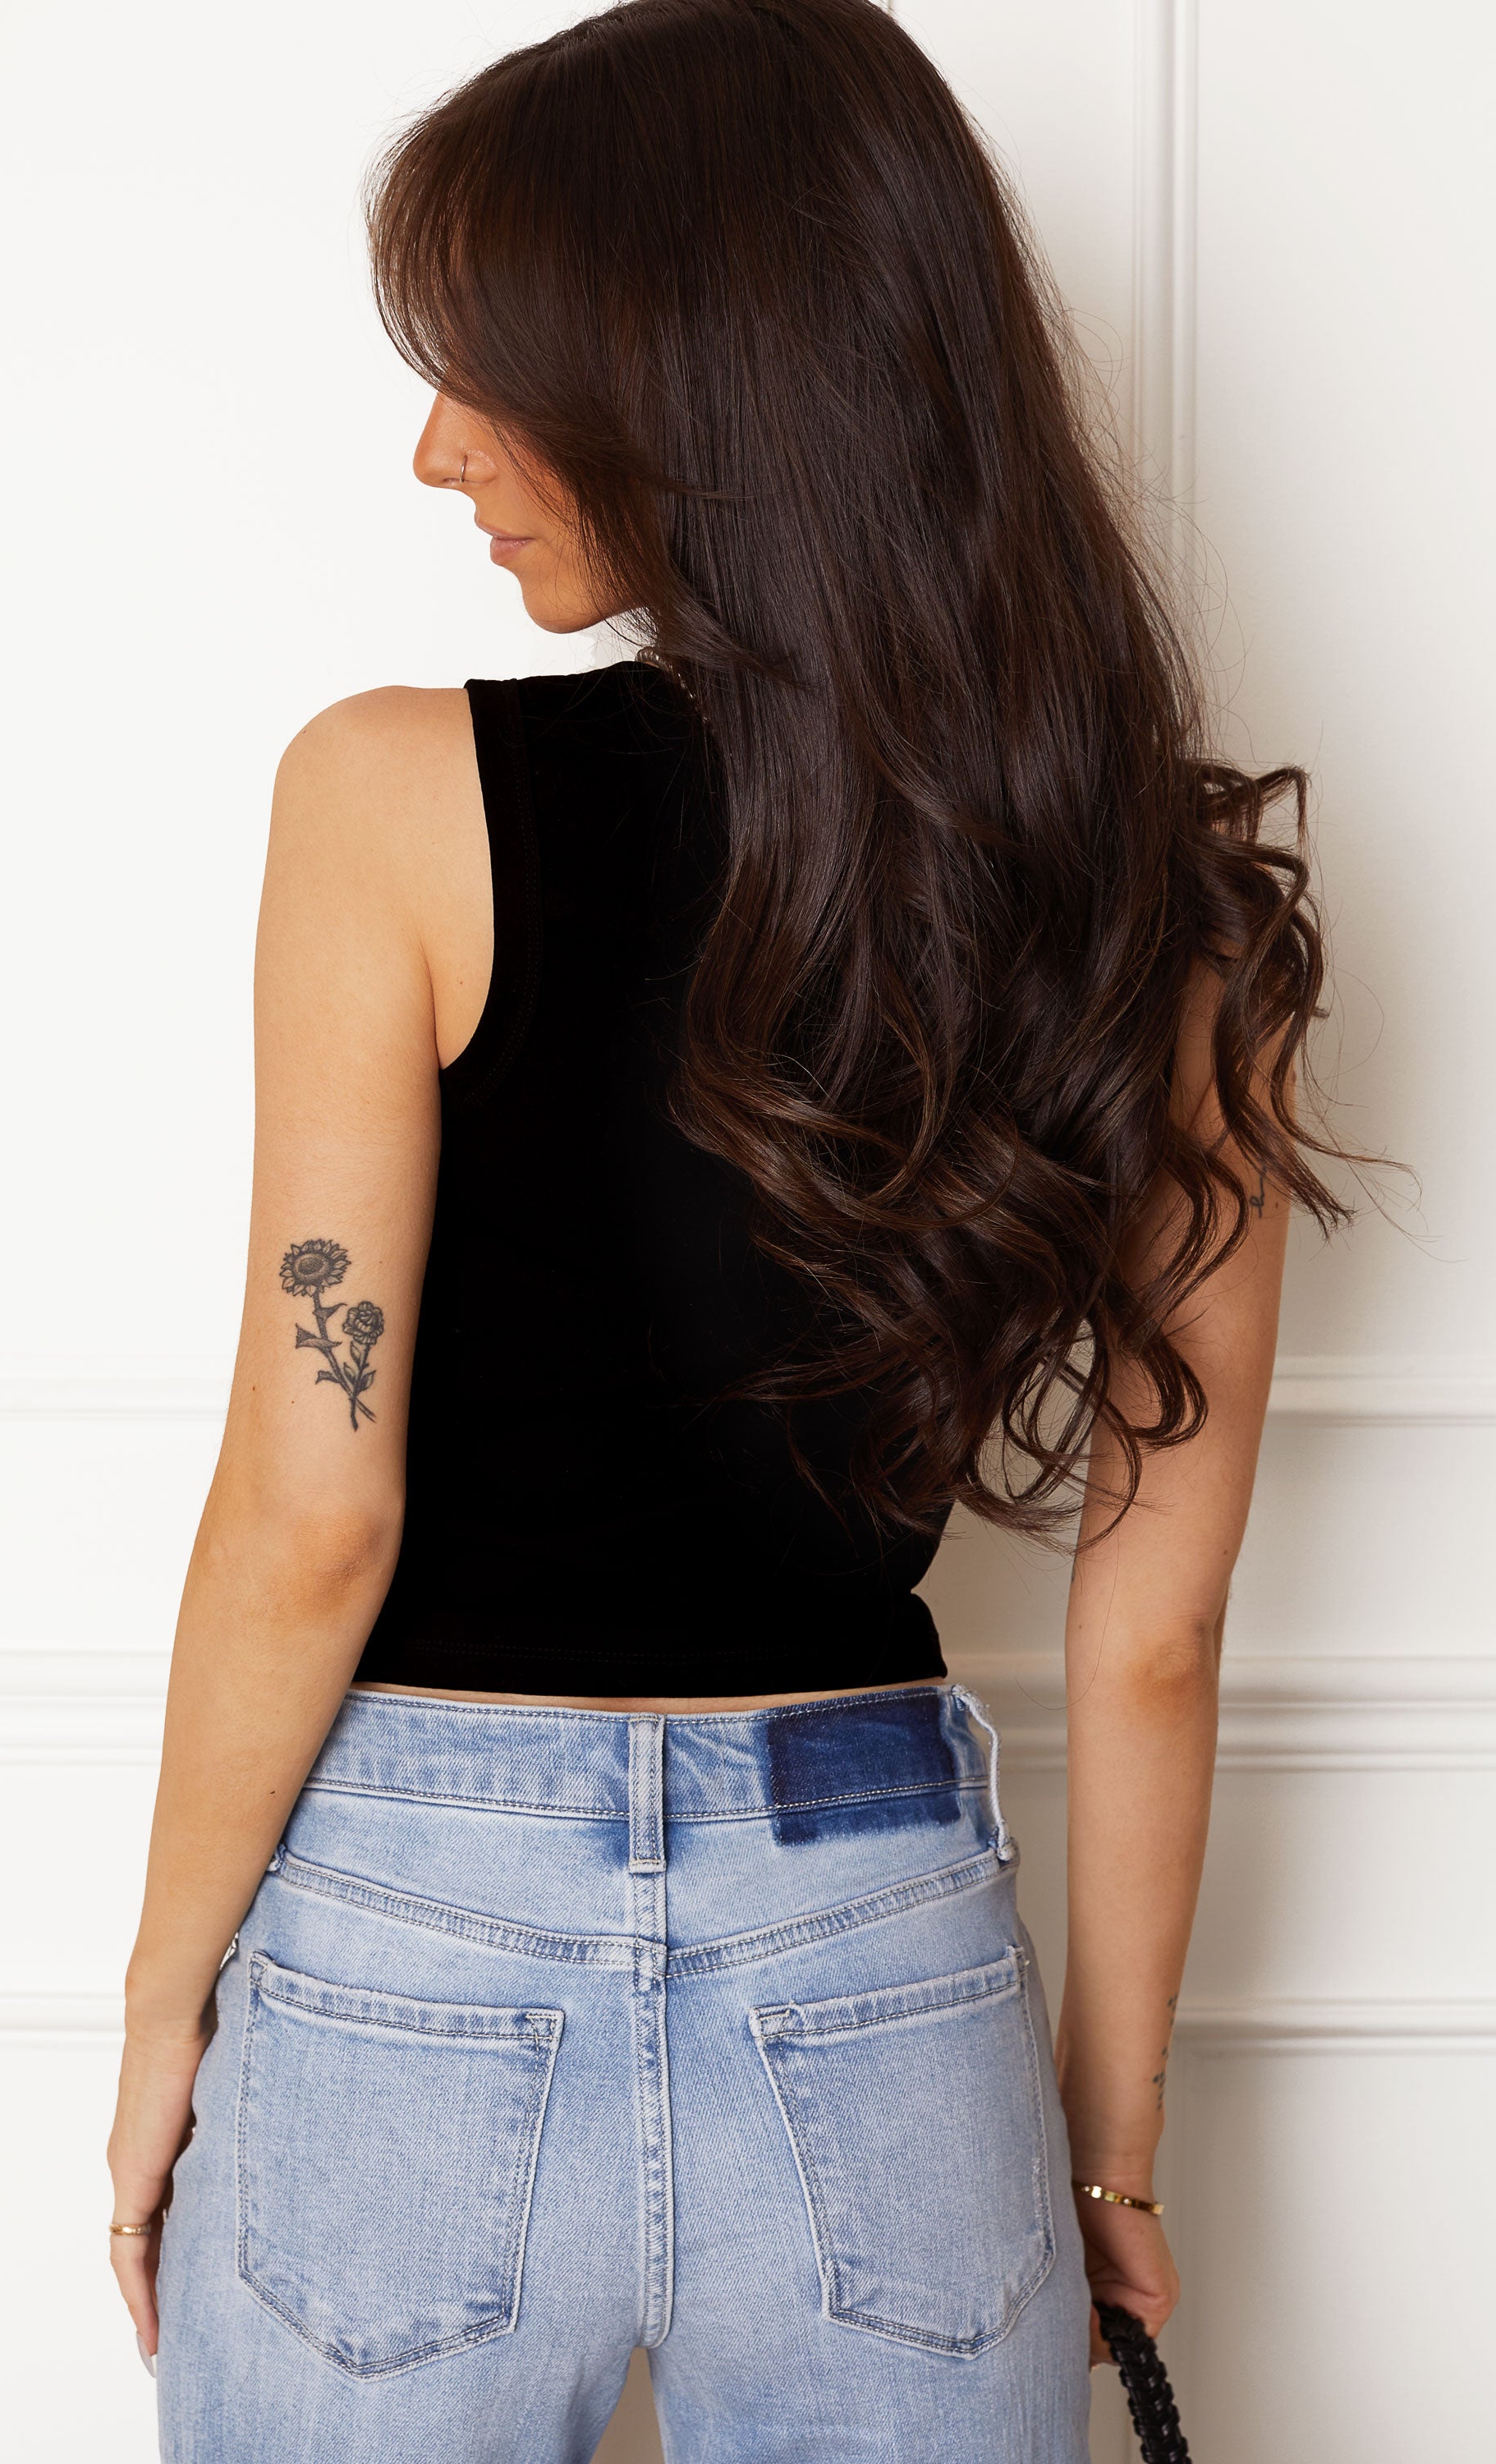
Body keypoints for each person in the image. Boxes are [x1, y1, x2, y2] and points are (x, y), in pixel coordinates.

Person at [106, 3, 1345, 2456]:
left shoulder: (389, 802)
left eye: (492, 372)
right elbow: (1157, 1632)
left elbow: (313, 1514)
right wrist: (1106, 2153)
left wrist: (163, 2006)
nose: (438, 449)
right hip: (881, 1966)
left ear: (690, 384)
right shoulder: (1168, 918)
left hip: (407, 1951)